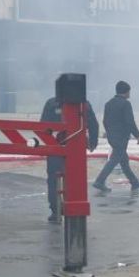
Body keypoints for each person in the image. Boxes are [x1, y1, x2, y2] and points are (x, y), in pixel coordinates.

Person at [40, 94, 100, 223]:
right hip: (76, 145)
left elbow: (43, 125)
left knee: (53, 178)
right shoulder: (84, 104)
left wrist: (46, 142)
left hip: (54, 145)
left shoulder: (51, 103)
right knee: (75, 178)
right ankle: (73, 207)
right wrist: (93, 142)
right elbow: (93, 124)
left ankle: (55, 211)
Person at [93, 81, 139, 192]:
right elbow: (130, 122)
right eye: (129, 91)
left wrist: (109, 133)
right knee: (114, 160)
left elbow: (105, 121)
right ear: (126, 92)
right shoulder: (126, 104)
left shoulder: (108, 103)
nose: (130, 94)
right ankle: (99, 181)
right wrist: (138, 136)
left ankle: (134, 182)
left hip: (112, 136)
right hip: (121, 137)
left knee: (123, 160)